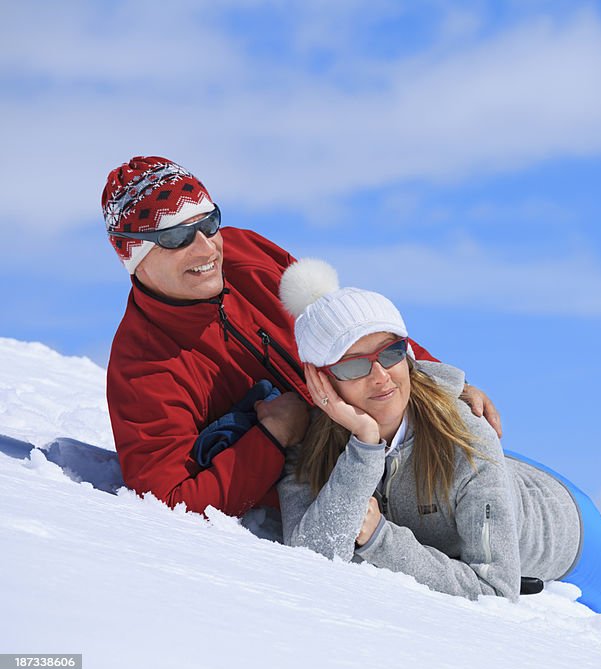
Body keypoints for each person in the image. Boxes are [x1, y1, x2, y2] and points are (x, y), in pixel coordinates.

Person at [277, 259, 601, 621]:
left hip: (553, 529)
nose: (381, 377)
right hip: (511, 490)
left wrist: (380, 538)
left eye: (390, 352)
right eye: (352, 365)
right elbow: (312, 552)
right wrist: (363, 445)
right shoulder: (315, 445)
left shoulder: (463, 439)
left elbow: (494, 590)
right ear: (322, 380)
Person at [102, 156, 500, 518]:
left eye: (209, 223)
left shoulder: (244, 252)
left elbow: (347, 323)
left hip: (395, 436)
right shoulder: (142, 367)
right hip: (331, 494)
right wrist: (271, 437)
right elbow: (168, 500)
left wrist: (438, 377)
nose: (207, 247)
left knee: (507, 494)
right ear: (131, 255)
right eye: (176, 237)